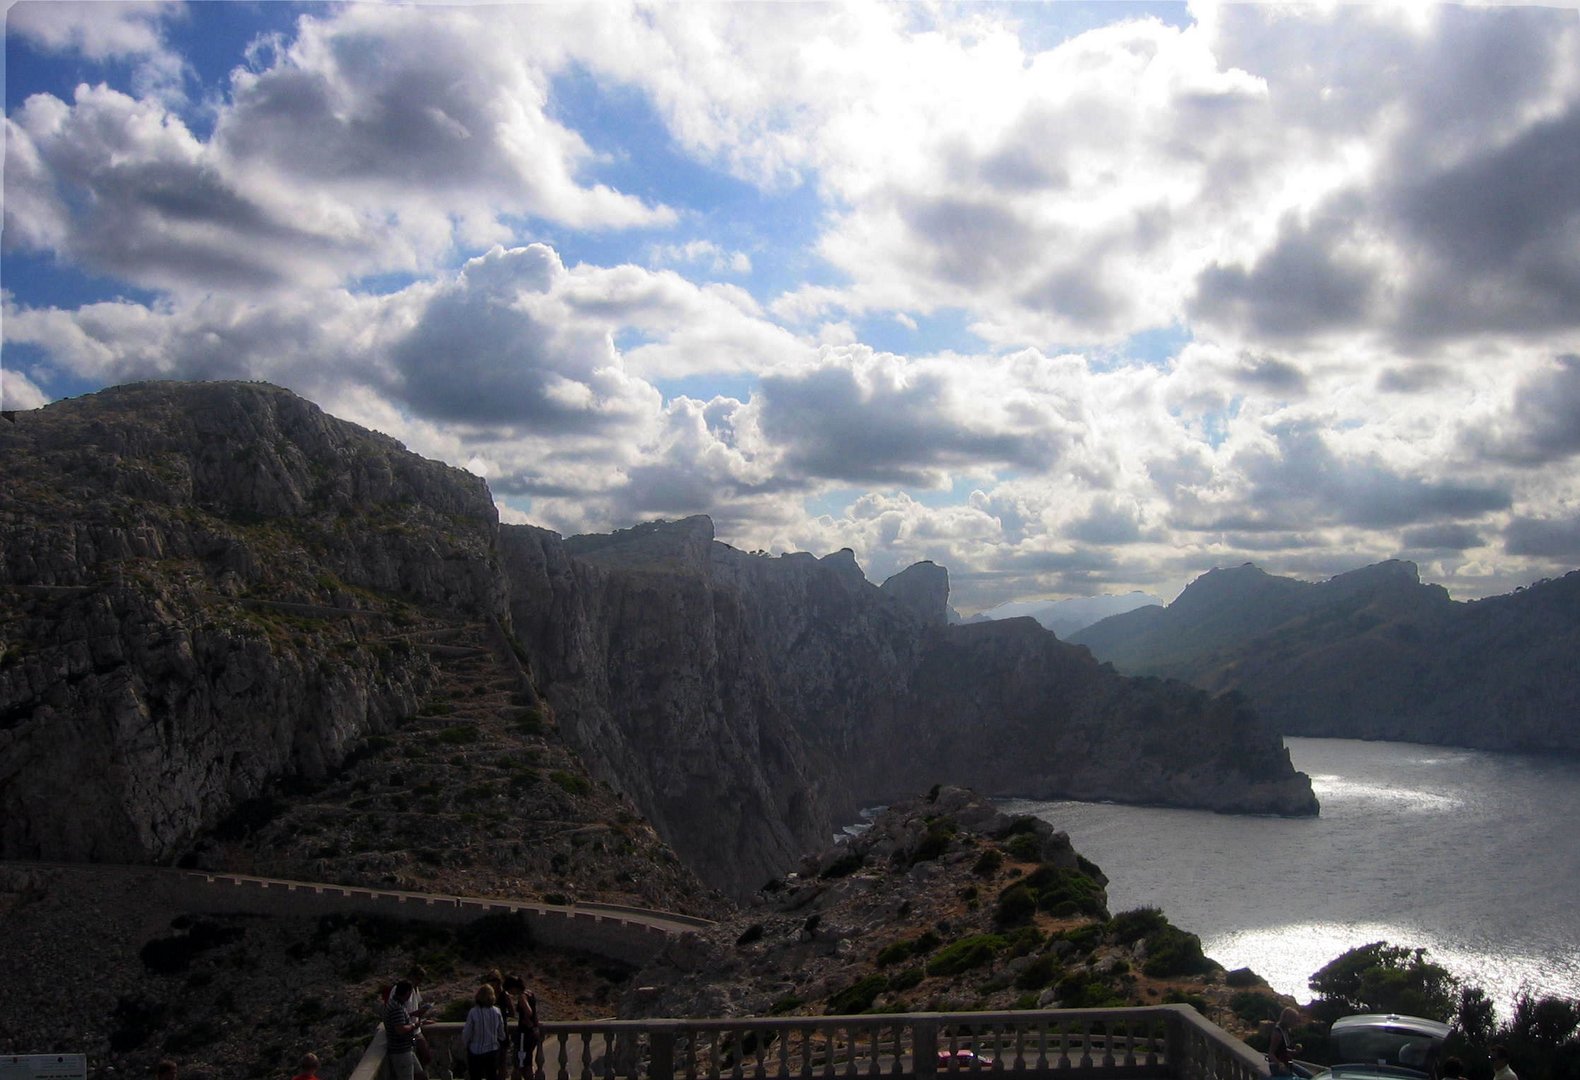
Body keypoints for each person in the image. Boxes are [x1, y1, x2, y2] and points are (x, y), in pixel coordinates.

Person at [462, 983, 508, 1080]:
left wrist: (466, 1044)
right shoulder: (497, 1011)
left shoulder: (473, 1012)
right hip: (492, 1050)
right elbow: (501, 1034)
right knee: (492, 1075)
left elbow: (467, 1033)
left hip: (476, 1051)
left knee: (476, 1076)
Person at [502, 973, 541, 1080]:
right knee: (526, 1062)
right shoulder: (530, 993)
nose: (510, 993)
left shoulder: (522, 996)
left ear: (514, 987)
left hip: (525, 1033)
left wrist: (527, 1021)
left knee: (522, 1064)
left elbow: (529, 1011)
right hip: (532, 1033)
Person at [385, 980, 423, 1080]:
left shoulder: (396, 1004)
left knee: (420, 1075)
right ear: (406, 993)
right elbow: (400, 1029)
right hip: (401, 1052)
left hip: (406, 1049)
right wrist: (414, 1025)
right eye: (410, 993)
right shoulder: (396, 1008)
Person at [1268, 1008, 1302, 1076]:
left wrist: (1294, 1051)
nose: (1296, 1023)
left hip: (1286, 1063)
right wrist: (1279, 1064)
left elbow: (1282, 1049)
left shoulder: (1285, 1031)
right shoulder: (1277, 1034)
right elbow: (1271, 1054)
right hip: (1277, 1066)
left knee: (1310, 1076)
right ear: (1288, 1020)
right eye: (1295, 1020)